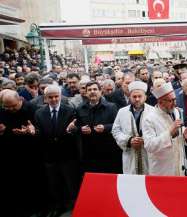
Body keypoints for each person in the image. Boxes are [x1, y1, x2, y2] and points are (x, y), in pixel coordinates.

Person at [33, 85, 80, 216]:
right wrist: (33, 132)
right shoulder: (39, 113)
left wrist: (73, 130)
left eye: (56, 96)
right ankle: (58, 206)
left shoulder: (70, 110)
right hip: (49, 156)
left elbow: (76, 132)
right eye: (50, 97)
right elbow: (39, 133)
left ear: (60, 96)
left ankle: (75, 207)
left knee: (71, 183)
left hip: (67, 155)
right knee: (54, 183)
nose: (54, 99)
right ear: (45, 98)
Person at [0, 90, 46, 217]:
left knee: (34, 183)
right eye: (6, 106)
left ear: (20, 100)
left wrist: (31, 132)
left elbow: (43, 131)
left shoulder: (33, 109)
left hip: (31, 154)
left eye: (13, 106)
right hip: (10, 155)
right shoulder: (3, 110)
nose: (10, 109)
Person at [143, 82, 187, 176]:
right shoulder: (149, 119)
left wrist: (185, 136)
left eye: (175, 99)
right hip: (162, 169)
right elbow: (149, 146)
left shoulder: (176, 112)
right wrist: (169, 132)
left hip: (179, 165)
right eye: (170, 101)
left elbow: (177, 133)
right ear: (160, 102)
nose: (174, 103)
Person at [75, 81, 121, 173]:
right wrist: (81, 129)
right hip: (89, 152)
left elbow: (118, 125)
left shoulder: (111, 107)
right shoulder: (80, 108)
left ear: (100, 92)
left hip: (107, 151)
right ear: (86, 93)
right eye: (89, 90)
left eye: (95, 89)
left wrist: (105, 127)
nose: (92, 92)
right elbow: (76, 127)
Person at [112, 81, 154, 174]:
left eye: (140, 96)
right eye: (134, 97)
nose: (137, 99)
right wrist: (129, 140)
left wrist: (146, 140)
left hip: (148, 155)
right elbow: (115, 130)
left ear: (145, 97)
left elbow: (158, 132)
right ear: (129, 97)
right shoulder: (122, 112)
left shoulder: (154, 111)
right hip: (130, 154)